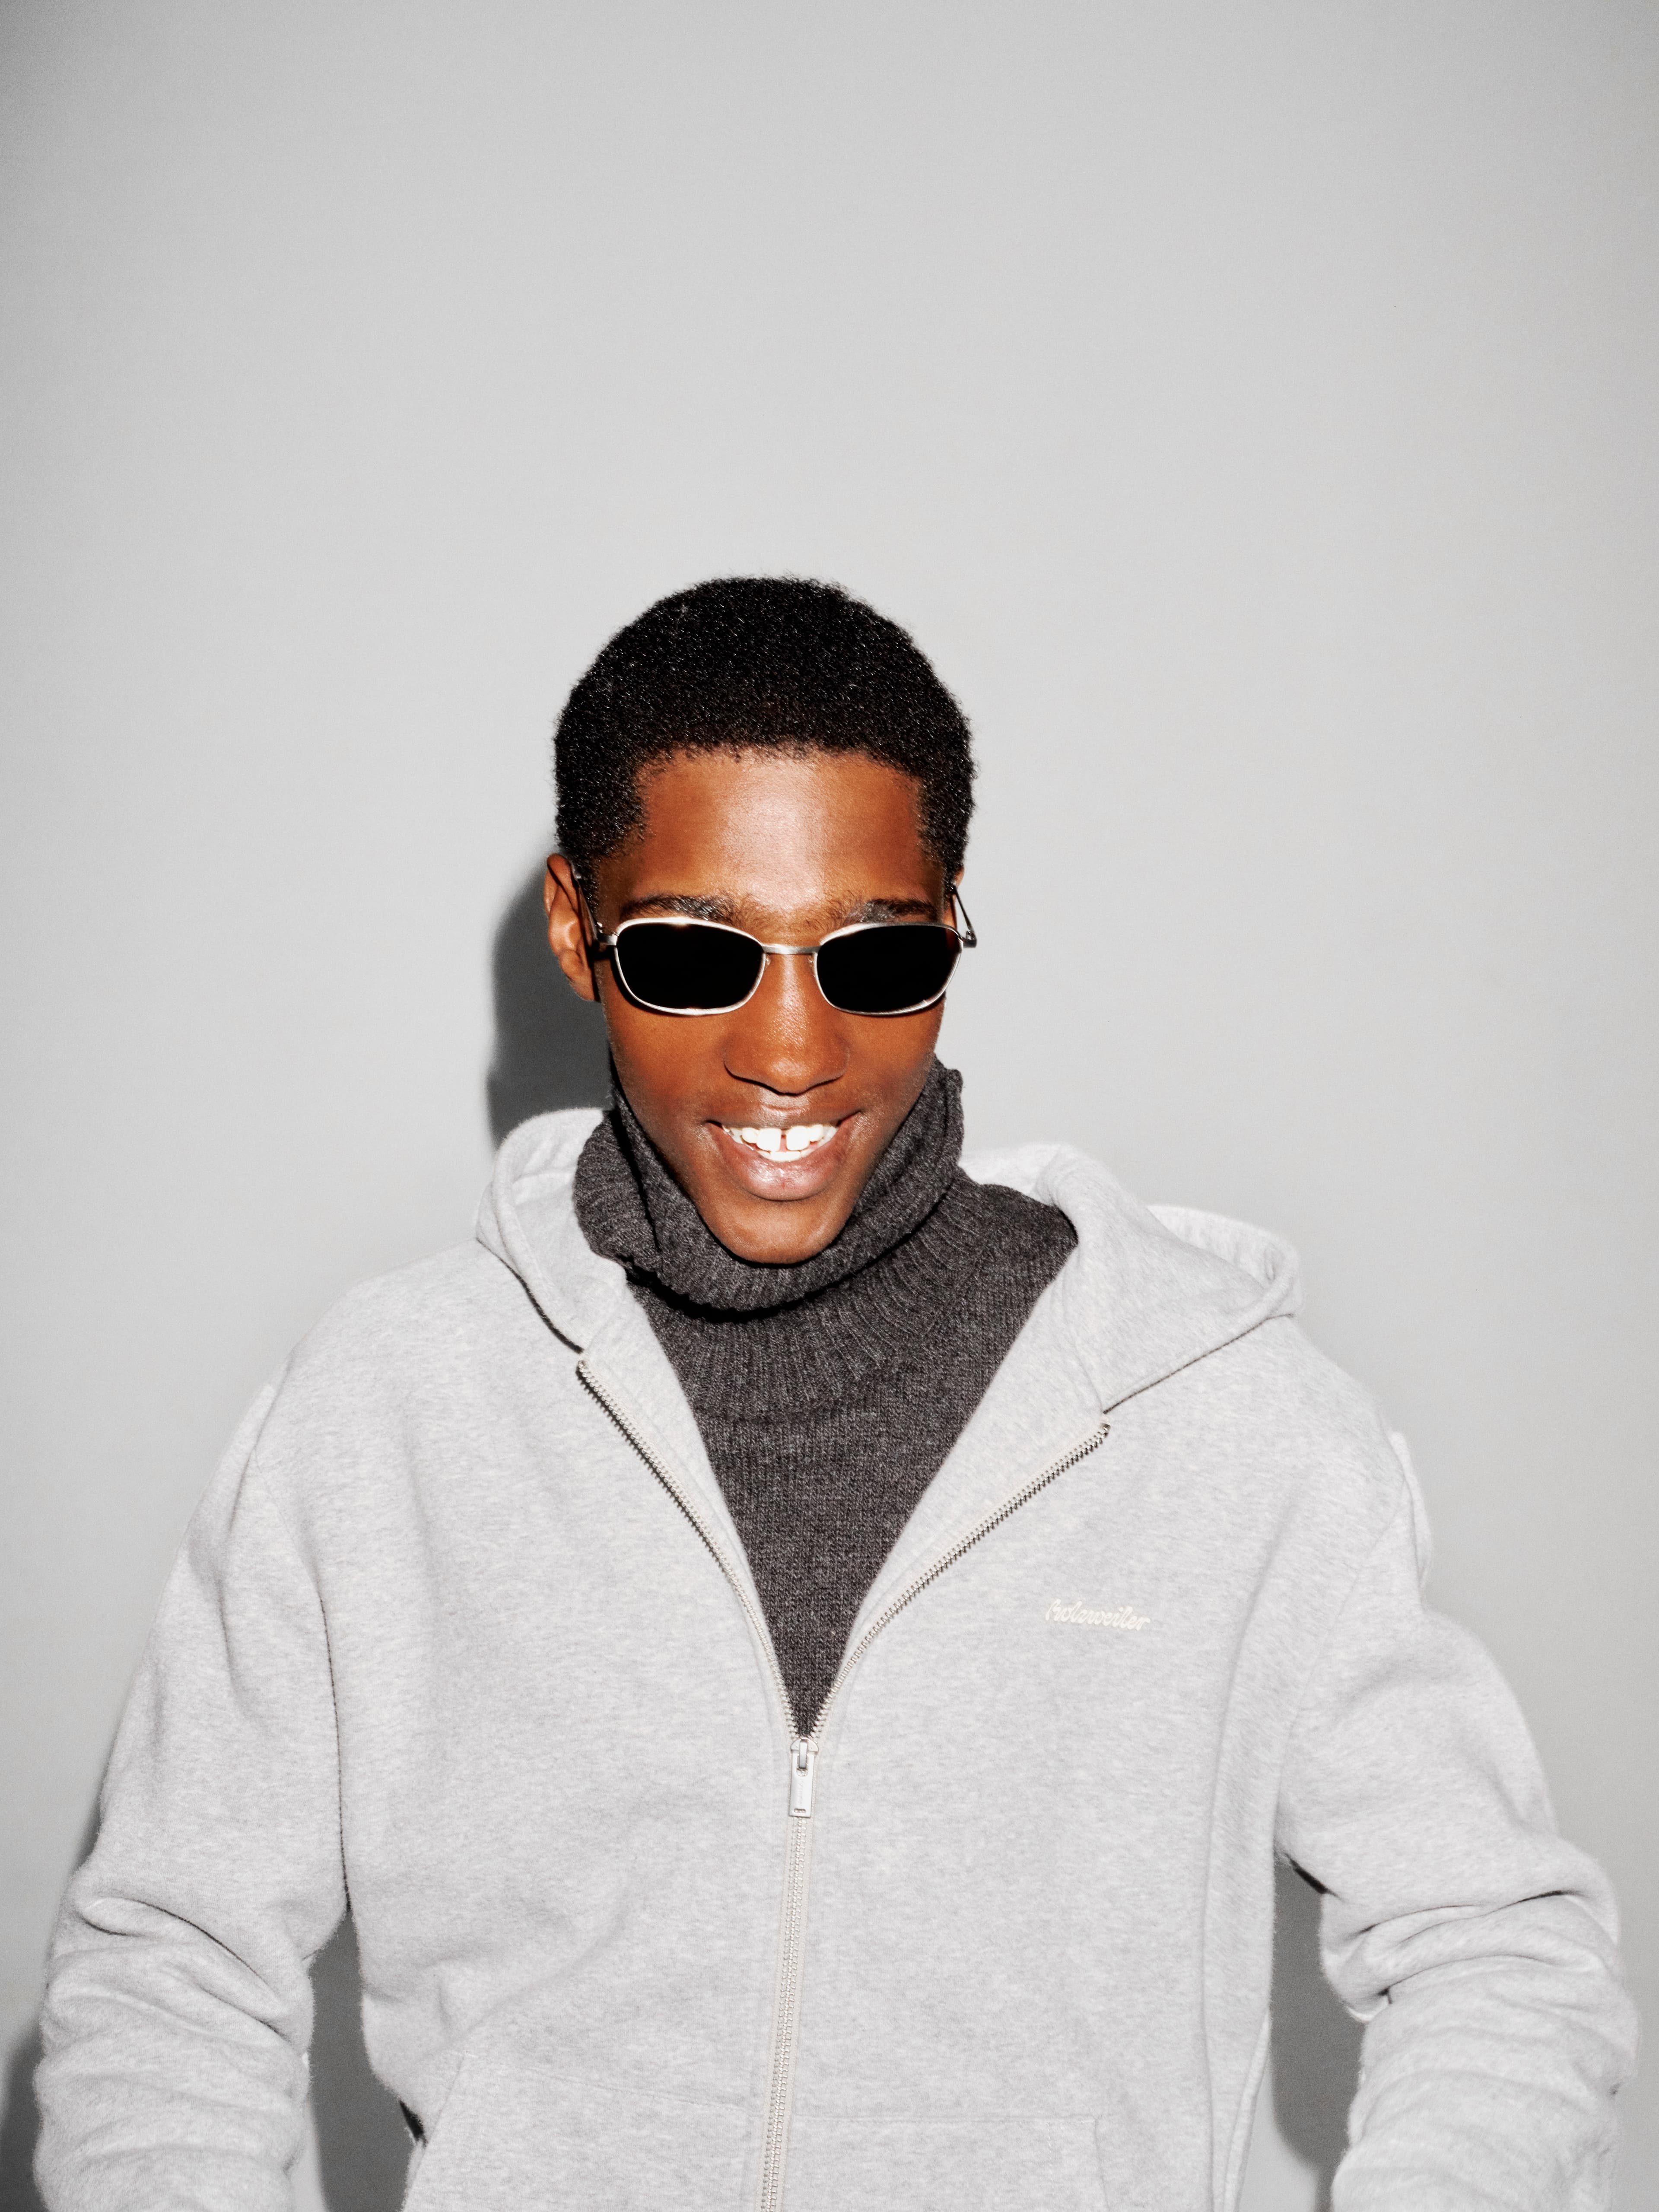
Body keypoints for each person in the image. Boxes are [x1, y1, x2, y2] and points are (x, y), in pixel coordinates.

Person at [36, 579, 1634, 2211]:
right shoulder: (389, 1416)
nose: (792, 1049)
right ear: (580, 929)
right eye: (693, 956)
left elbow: (1500, 1953)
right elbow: (169, 1977)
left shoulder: (1229, 1428)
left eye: (875, 958)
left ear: (952, 927)